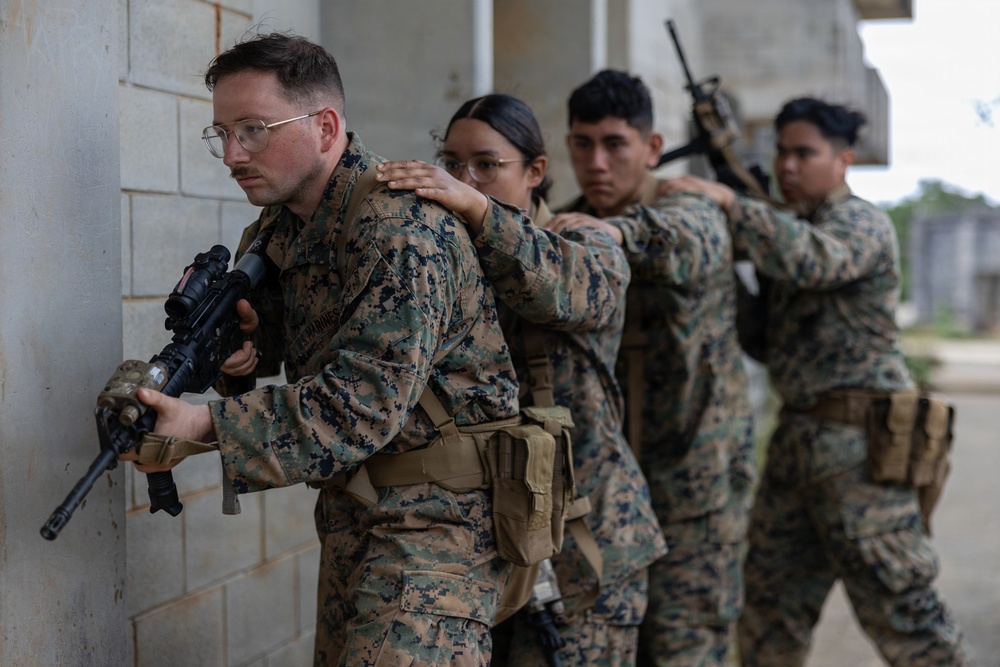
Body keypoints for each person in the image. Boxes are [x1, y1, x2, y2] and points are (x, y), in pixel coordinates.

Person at [120, 33, 523, 666]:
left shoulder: (400, 230)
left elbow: (361, 404)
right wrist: (238, 357)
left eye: (253, 129)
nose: (231, 154)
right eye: (220, 133)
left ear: (325, 125)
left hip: (442, 526)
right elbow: (290, 340)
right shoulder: (281, 224)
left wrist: (202, 425)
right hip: (356, 511)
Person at [662, 97, 968, 666]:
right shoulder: (788, 228)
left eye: (804, 153)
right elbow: (765, 341)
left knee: (903, 612)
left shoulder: (858, 224)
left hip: (861, 457)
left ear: (844, 159)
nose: (787, 166)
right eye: (781, 152)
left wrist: (734, 205)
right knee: (767, 612)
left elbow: (814, 261)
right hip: (796, 447)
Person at [376, 93, 667, 666]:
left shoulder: (584, 239)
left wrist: (478, 210)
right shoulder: (446, 259)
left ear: (536, 171)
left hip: (584, 550)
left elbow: (574, 290)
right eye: (452, 163)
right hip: (488, 548)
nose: (464, 178)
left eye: (487, 164)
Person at [549, 70, 756, 666]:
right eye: (582, 144)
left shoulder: (683, 206)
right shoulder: (564, 225)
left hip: (693, 486)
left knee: (684, 647)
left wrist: (608, 234)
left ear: (652, 148)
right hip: (605, 490)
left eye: (615, 144)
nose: (598, 162)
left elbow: (687, 241)